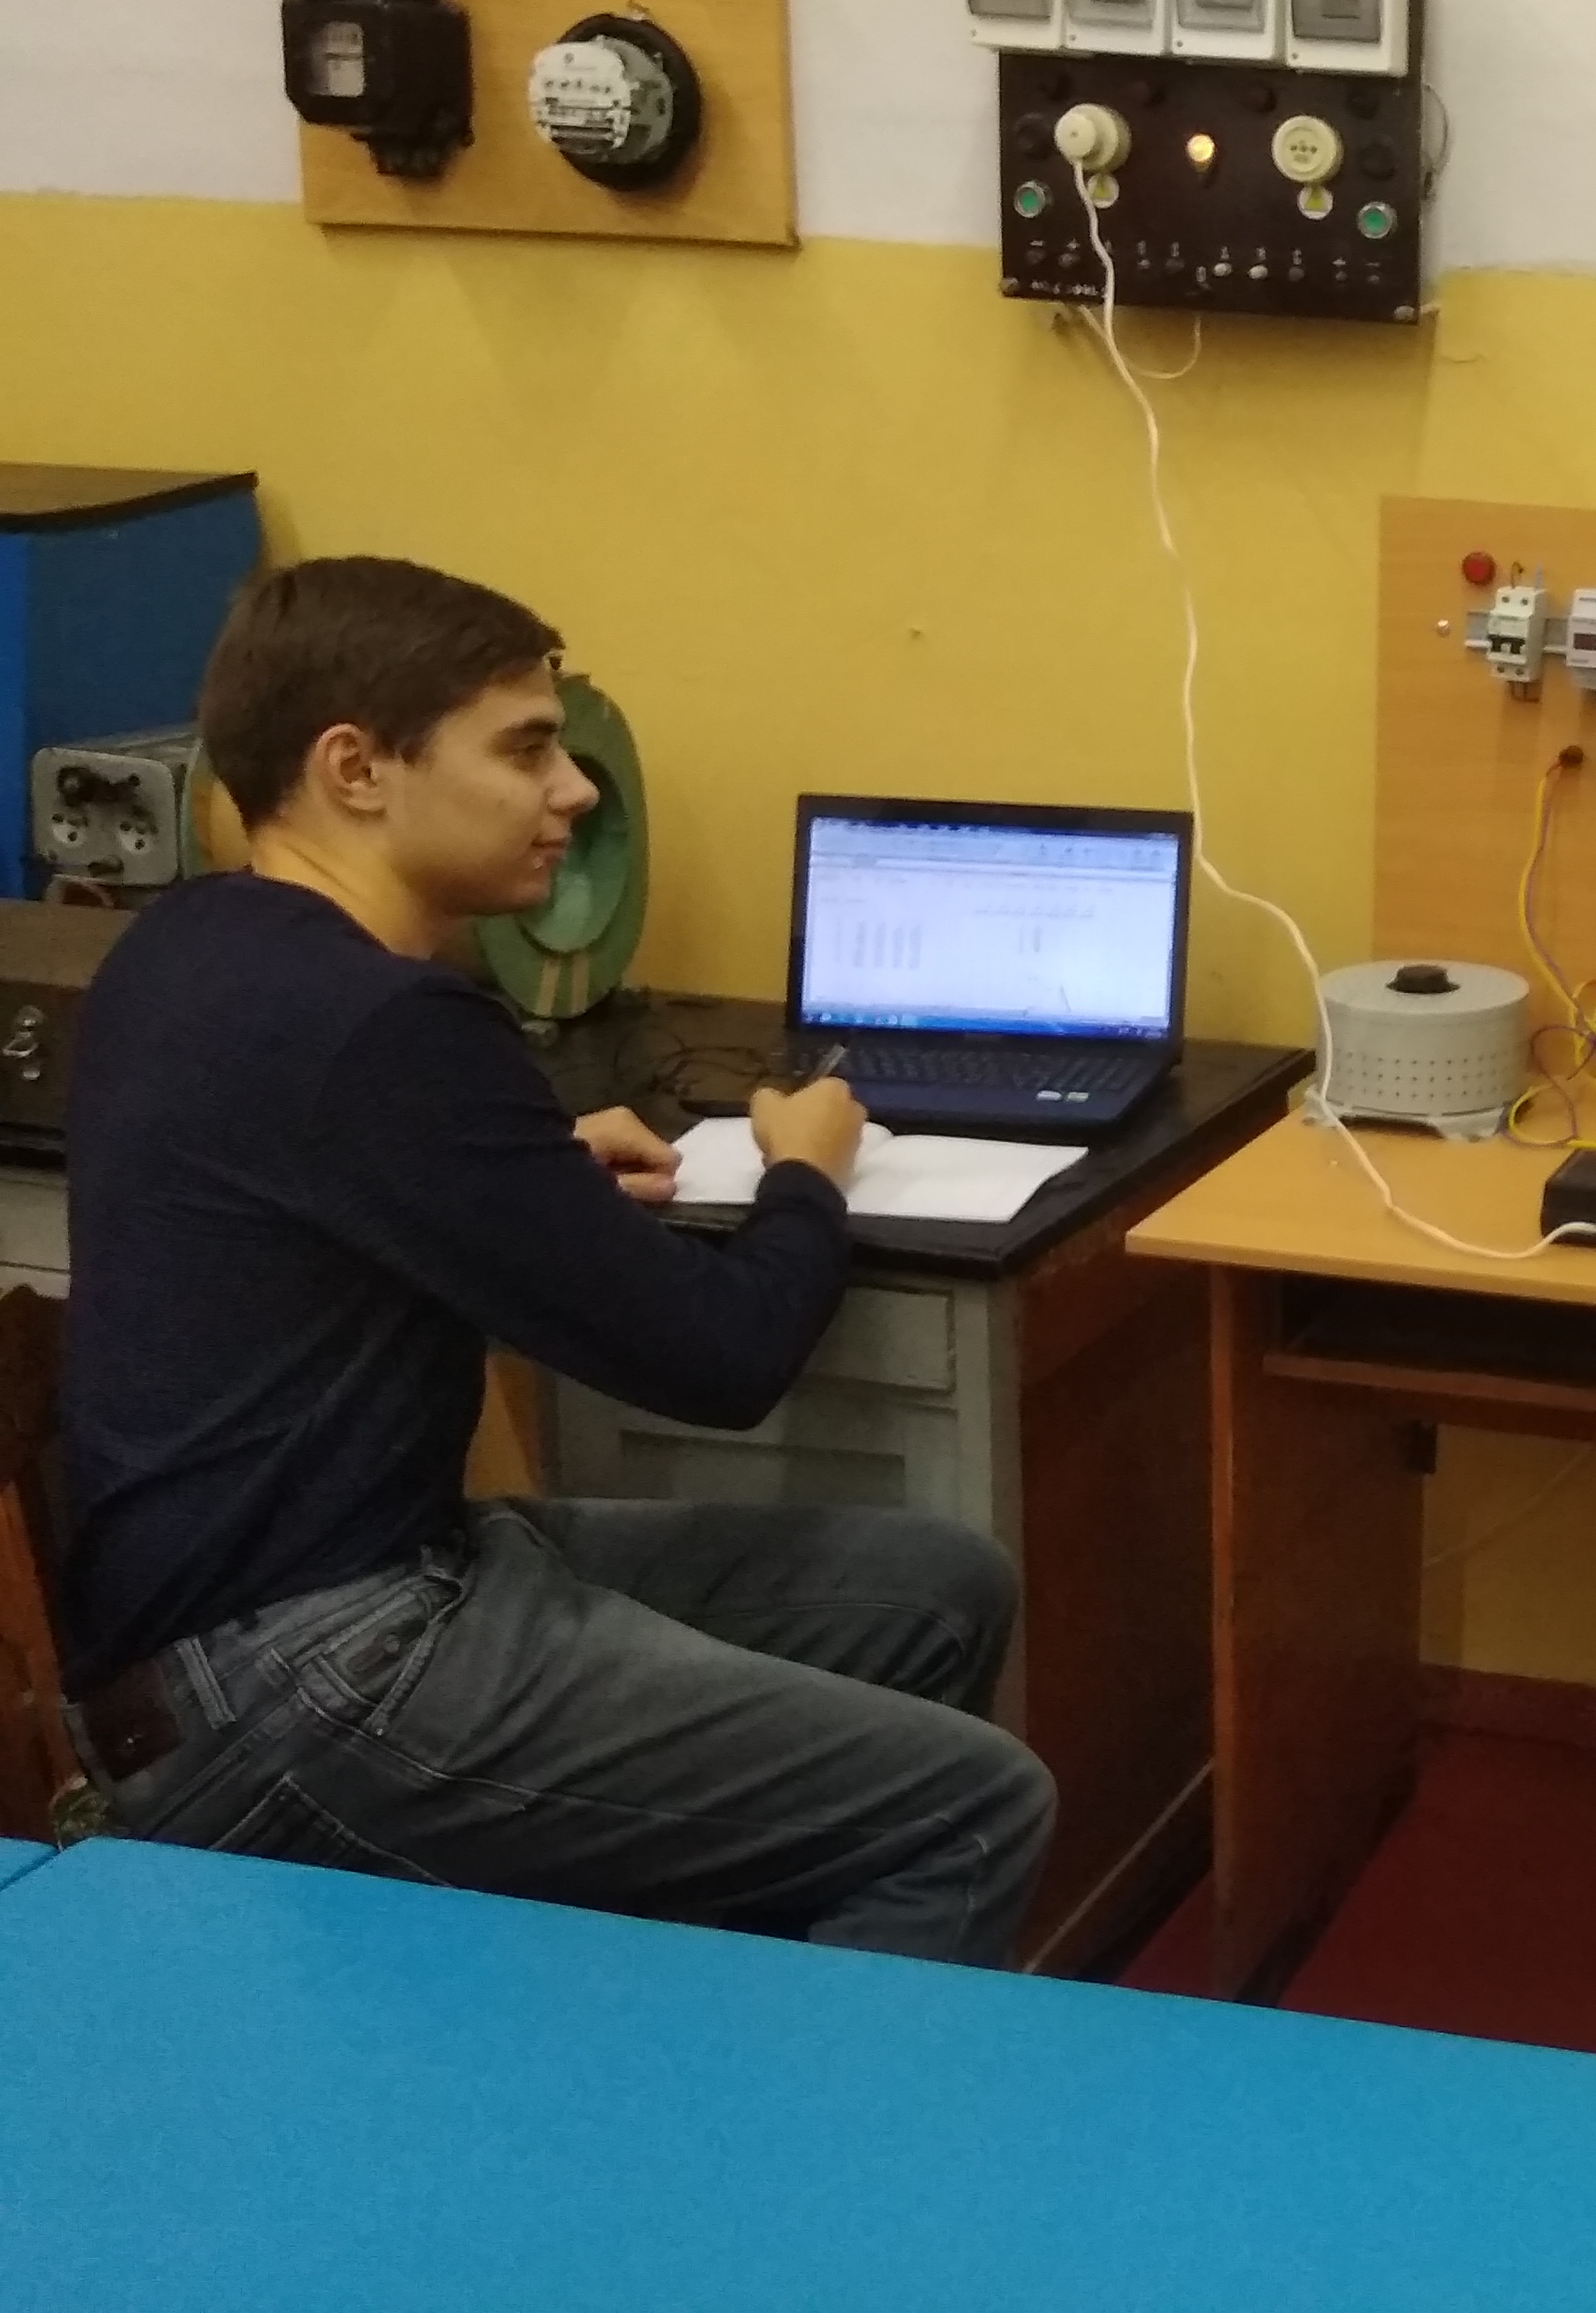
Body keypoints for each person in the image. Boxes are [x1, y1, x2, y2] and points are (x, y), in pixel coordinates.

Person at [57, 556, 1057, 1965]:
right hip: (301, 1680)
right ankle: (786, 2109)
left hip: (241, 1637)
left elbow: (313, 1196)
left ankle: (724, 2003)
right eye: (525, 750)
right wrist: (805, 1173)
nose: (575, 791)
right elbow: (722, 1360)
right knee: (970, 1811)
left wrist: (523, 1173)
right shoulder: (387, 1029)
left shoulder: (192, 947)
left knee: (937, 1590)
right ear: (356, 770)